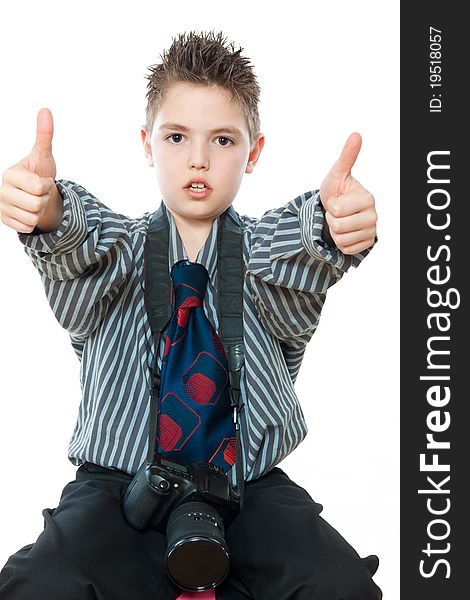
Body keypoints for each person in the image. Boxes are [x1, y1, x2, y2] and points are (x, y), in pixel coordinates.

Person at [0, 30, 381, 599]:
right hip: (119, 483)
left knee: (339, 584)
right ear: (147, 144)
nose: (198, 159)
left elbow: (298, 244)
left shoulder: (259, 259)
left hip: (247, 485)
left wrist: (334, 224)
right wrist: (47, 210)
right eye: (177, 136)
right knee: (41, 583)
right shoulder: (120, 253)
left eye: (223, 139)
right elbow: (79, 239)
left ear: (253, 153)